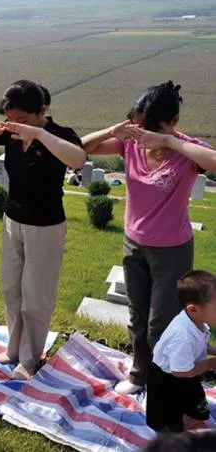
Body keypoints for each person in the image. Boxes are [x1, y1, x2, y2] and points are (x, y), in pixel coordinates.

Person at [81, 81, 216, 394]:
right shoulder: (129, 144)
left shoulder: (185, 151)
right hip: (134, 243)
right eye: (136, 127)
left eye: (148, 129)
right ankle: (139, 375)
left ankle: (166, 383)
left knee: (162, 322)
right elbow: (81, 150)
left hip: (171, 250)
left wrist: (169, 141)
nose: (141, 135)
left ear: (172, 122)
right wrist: (113, 131)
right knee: (137, 316)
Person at [0, 80, 86, 378]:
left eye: (23, 119)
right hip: (12, 220)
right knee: (11, 288)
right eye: (10, 118)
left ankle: (30, 358)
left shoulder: (59, 134)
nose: (15, 124)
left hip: (45, 226)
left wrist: (38, 134)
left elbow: (78, 159)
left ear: (42, 111)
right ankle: (13, 347)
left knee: (36, 295)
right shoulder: (11, 132)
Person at [146, 271, 216, 433]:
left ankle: (192, 417)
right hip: (168, 379)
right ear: (193, 309)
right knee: (168, 419)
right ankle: (174, 430)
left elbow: (200, 344)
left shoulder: (197, 321)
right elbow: (180, 372)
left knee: (195, 402)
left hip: (188, 372)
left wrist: (213, 350)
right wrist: (211, 363)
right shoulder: (182, 336)